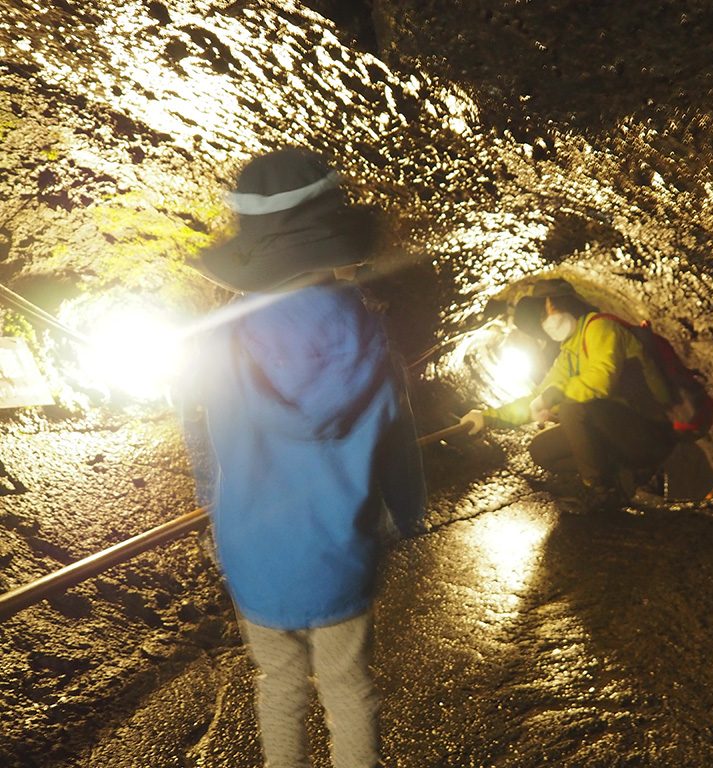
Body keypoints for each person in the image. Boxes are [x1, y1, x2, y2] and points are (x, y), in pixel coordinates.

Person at [180, 147, 426, 768]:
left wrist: (214, 509)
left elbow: (203, 440)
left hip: (255, 548)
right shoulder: (368, 330)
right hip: (341, 547)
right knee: (348, 689)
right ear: (333, 234)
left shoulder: (221, 335)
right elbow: (397, 442)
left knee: (280, 687)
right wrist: (404, 516)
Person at [459, 278, 680, 511]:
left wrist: (557, 395)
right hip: (619, 431)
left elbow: (601, 381)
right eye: (542, 316)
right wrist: (488, 417)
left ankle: (603, 491)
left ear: (566, 303)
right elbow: (538, 396)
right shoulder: (570, 350)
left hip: (649, 430)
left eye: (548, 308)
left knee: (571, 408)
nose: (546, 321)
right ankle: (622, 477)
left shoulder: (602, 328)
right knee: (542, 450)